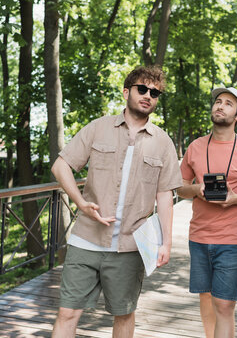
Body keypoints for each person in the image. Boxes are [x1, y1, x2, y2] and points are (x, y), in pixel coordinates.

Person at [50, 66, 182, 338]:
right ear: (126, 92)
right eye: (142, 89)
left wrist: (166, 242)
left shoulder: (163, 143)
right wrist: (80, 202)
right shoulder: (98, 128)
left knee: (123, 315)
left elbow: (165, 195)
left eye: (155, 93)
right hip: (86, 239)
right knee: (67, 312)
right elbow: (61, 166)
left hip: (131, 246)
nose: (148, 95)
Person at [177, 87, 237, 338]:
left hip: (232, 240)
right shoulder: (195, 147)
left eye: (228, 104)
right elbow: (179, 187)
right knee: (205, 297)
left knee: (224, 304)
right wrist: (196, 189)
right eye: (218, 101)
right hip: (199, 236)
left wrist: (236, 198)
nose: (220, 106)